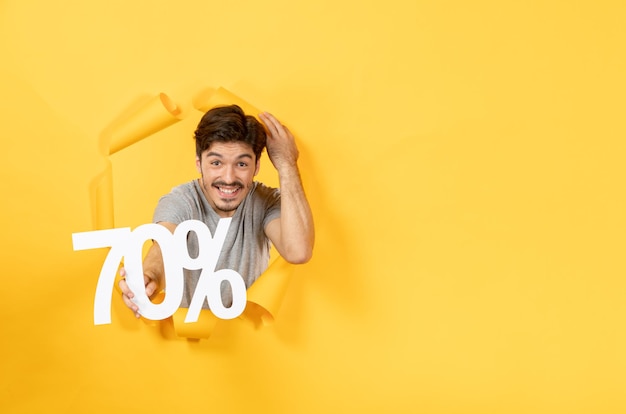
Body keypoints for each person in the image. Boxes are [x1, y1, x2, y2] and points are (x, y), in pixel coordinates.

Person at [119, 105, 314, 318]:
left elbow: (298, 252)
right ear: (199, 163)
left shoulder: (265, 201)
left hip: (249, 343)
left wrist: (286, 164)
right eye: (216, 163)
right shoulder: (180, 201)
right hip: (190, 342)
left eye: (241, 164)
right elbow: (163, 246)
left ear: (256, 166)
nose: (228, 177)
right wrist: (149, 276)